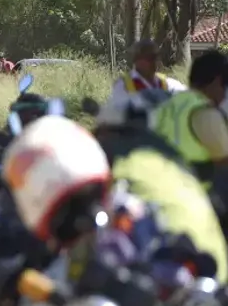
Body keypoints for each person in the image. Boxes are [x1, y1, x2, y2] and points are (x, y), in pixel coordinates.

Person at [93, 89, 228, 282]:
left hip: (172, 275)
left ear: (106, 133)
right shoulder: (170, 162)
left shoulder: (119, 167)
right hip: (218, 275)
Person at [150, 50, 228, 184]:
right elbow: (223, 159)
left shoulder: (170, 104)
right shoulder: (205, 112)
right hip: (189, 193)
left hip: (158, 185)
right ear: (217, 80)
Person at [107, 39, 186, 110]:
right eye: (148, 58)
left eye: (155, 57)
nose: (154, 62)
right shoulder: (124, 85)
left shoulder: (166, 83)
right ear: (136, 60)